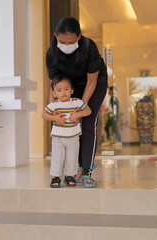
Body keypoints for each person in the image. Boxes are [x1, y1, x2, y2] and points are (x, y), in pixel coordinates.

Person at [46, 17, 107, 187]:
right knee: (68, 123)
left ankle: (86, 171)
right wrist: (53, 109)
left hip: (94, 84)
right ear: (55, 36)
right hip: (68, 86)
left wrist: (80, 108)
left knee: (87, 122)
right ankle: (76, 167)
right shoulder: (51, 54)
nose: (66, 45)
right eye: (62, 41)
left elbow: (92, 81)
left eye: (71, 41)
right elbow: (54, 86)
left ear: (79, 36)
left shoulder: (89, 47)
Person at [42, 75, 91, 188]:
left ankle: (70, 176)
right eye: (59, 90)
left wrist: (78, 114)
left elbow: (88, 110)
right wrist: (55, 118)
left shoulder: (76, 102)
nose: (63, 92)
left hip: (73, 137)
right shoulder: (54, 105)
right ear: (54, 93)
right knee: (57, 157)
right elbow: (44, 115)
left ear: (72, 90)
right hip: (58, 138)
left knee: (72, 158)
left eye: (66, 89)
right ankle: (55, 177)